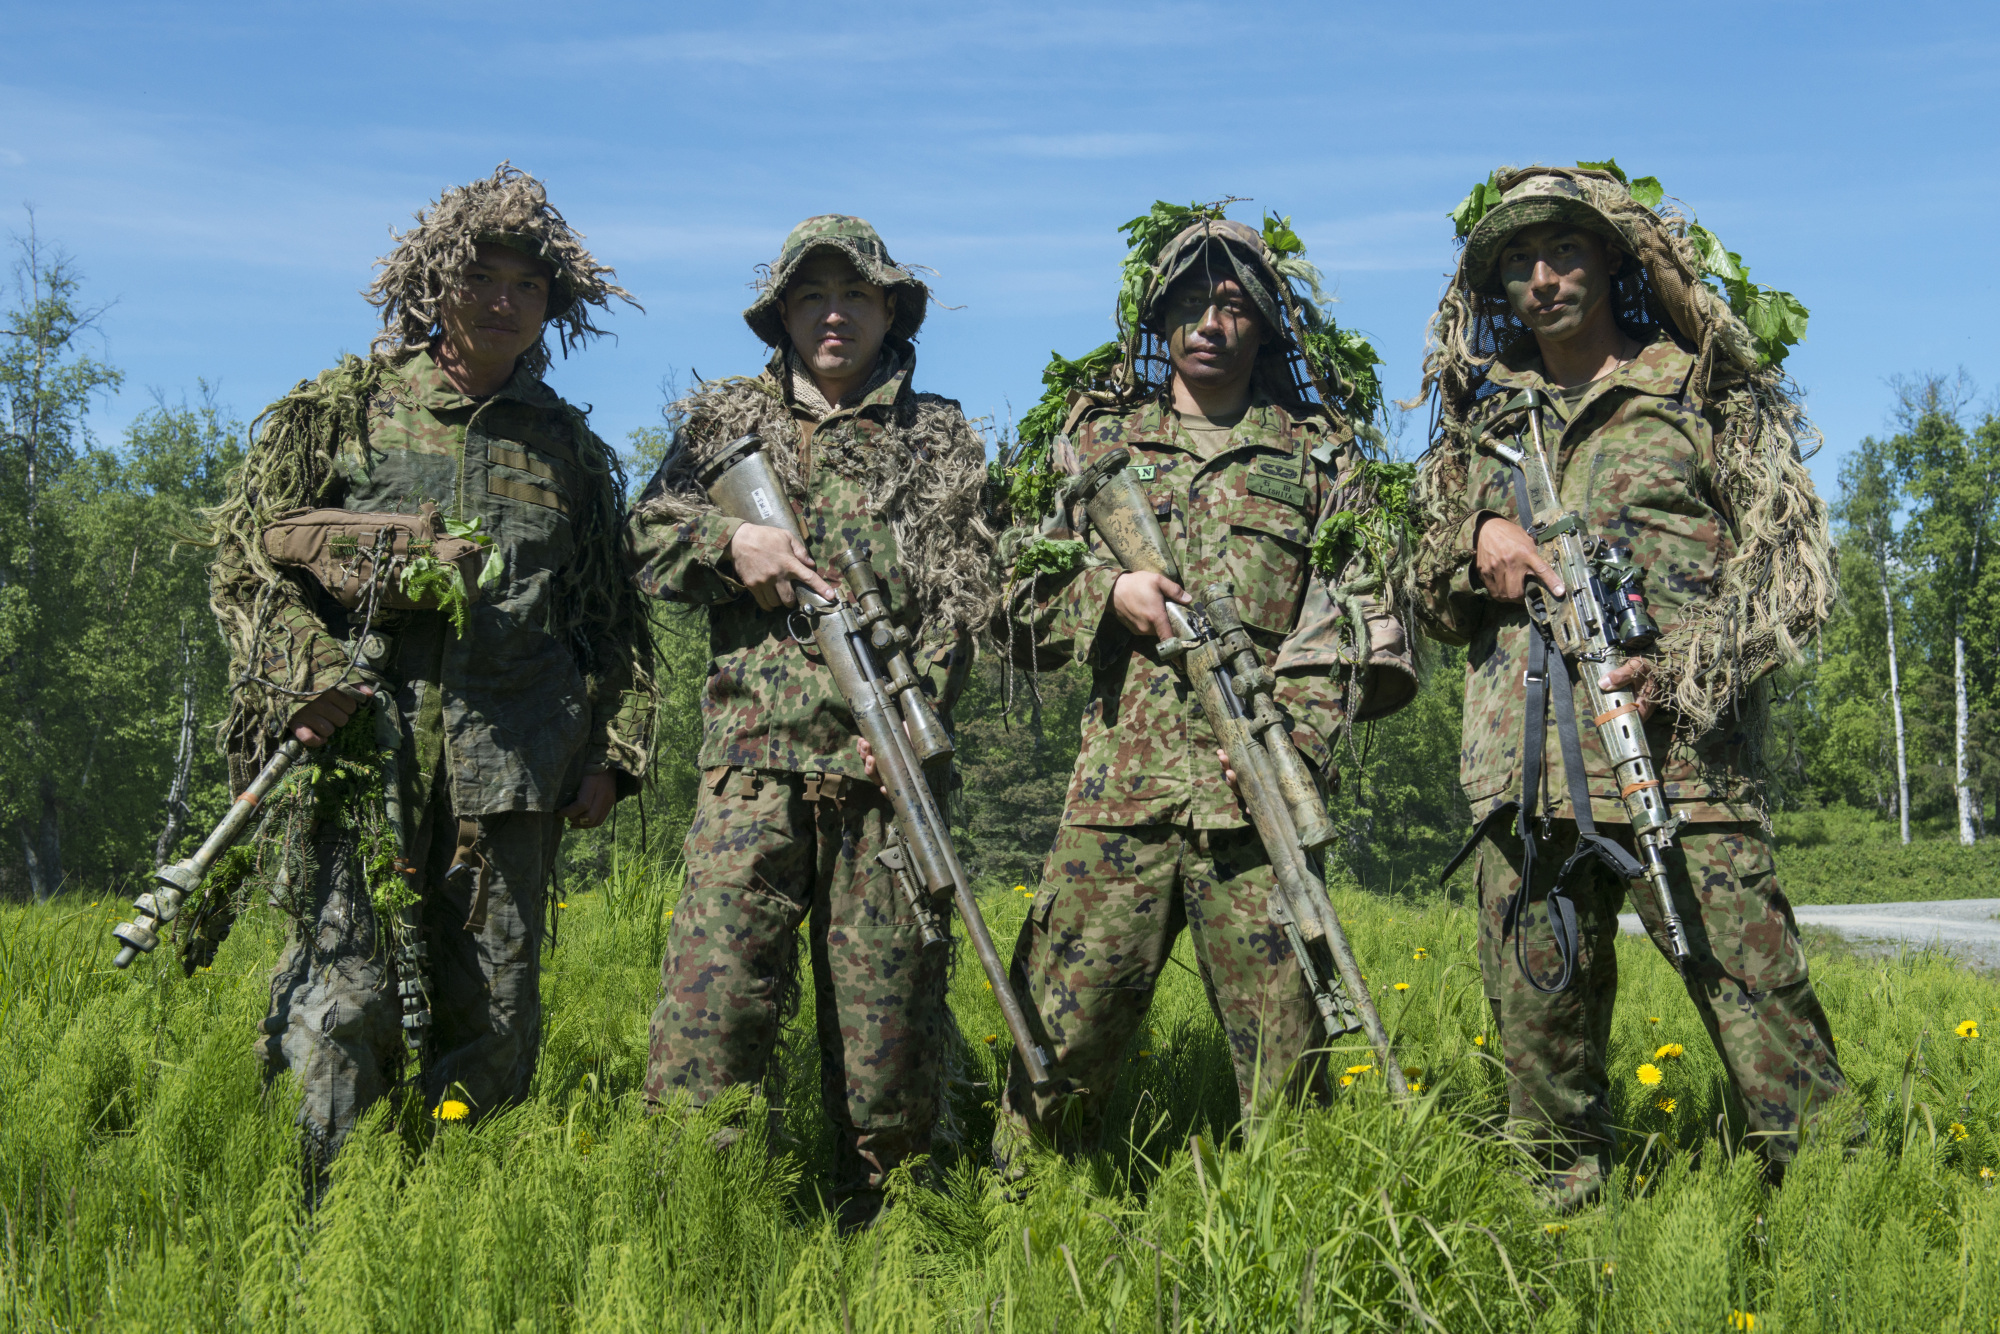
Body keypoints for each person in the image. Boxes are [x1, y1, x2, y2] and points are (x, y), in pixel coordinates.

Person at [208, 164, 654, 1182]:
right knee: (343, 992)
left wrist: (612, 754)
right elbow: (244, 560)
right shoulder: (341, 412)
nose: (502, 301)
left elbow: (610, 618)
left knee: (492, 1007)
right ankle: (327, 1213)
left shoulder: (569, 452)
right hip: (362, 755)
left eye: (526, 287)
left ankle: (458, 1203)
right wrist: (304, 673)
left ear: (553, 310)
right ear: (431, 285)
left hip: (513, 771)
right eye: (479, 277)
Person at [1409, 166, 1845, 1203]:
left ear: (1609, 259)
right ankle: (1557, 1234)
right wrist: (1475, 540)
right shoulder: (1479, 420)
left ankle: (1842, 1204)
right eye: (1516, 261)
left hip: (1682, 768)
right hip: (1526, 780)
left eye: (1561, 253)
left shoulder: (1697, 392)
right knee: (1537, 1031)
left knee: (1759, 1000)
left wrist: (1683, 666)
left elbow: (1789, 573)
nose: (1541, 278)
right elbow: (1416, 584)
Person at [991, 211, 1416, 1170]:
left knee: (1286, 1062)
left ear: (1265, 321)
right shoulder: (1093, 443)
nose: (1211, 323)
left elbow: (1362, 615)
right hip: (1118, 798)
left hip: (1258, 799)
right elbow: (1010, 594)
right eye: (1189, 303)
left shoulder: (1320, 454)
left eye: (1232, 304)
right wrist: (1110, 591)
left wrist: (1289, 734)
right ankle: (1023, 1215)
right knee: (1061, 1034)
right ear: (1158, 320)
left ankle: (1289, 1227)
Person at [625, 215, 993, 1229]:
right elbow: (644, 542)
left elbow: (970, 607)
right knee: (712, 1013)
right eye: (811, 298)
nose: (834, 316)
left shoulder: (942, 437)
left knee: (889, 1032)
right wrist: (728, 538)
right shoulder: (719, 427)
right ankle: (692, 1229)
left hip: (886, 771)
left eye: (855, 297)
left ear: (888, 311)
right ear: (781, 314)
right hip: (753, 764)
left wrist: (920, 730)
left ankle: (892, 1236)